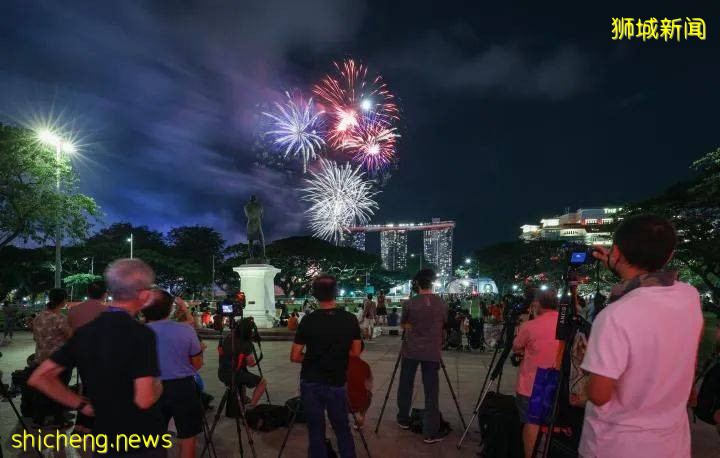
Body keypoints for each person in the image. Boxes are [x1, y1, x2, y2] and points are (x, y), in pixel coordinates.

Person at [579, 214, 703, 458]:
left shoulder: (615, 316)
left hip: (617, 445)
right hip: (671, 444)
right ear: (668, 256)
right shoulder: (689, 297)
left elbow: (599, 395)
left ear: (616, 252)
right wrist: (619, 265)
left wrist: (590, 366)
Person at [29, 258, 165, 457]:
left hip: (104, 433)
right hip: (141, 437)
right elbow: (144, 400)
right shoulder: (141, 334)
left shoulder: (85, 332)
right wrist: (159, 386)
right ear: (143, 295)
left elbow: (39, 377)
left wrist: (82, 405)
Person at [291, 274, 362, 458]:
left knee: (315, 429)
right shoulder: (349, 319)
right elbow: (355, 352)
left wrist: (314, 358)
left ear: (315, 294)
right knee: (341, 428)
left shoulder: (308, 320)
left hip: (311, 381)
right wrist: (335, 355)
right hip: (336, 382)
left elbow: (295, 355)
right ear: (336, 293)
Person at [145, 290, 204, 458]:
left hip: (150, 388)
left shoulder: (137, 332)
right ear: (170, 308)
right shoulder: (185, 330)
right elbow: (197, 364)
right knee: (187, 435)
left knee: (153, 436)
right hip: (182, 387)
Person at [396, 268, 449, 444]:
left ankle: (403, 418)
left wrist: (413, 327)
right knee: (431, 390)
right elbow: (444, 323)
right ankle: (430, 431)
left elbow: (404, 324)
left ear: (417, 284)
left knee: (406, 384)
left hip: (411, 350)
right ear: (432, 283)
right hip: (432, 351)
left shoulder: (410, 303)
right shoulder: (441, 303)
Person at [512, 289, 561, 458]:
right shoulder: (565, 324)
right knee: (553, 422)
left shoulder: (530, 326)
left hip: (532, 384)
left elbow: (517, 346)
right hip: (558, 382)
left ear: (537, 304)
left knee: (531, 423)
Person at [30, 288, 73, 427]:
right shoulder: (59, 318)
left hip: (41, 359)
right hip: (58, 361)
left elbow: (35, 338)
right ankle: (59, 420)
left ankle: (39, 420)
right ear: (63, 301)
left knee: (41, 391)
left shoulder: (38, 317)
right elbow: (71, 338)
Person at [218, 317, 267, 407]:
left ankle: (243, 398)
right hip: (234, 375)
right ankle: (252, 406)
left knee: (242, 370)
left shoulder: (228, 338)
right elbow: (251, 364)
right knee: (262, 382)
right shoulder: (246, 344)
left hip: (222, 373)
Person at [346, 341, 373, 428]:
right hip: (358, 403)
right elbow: (369, 386)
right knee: (369, 394)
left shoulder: (338, 363)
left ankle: (336, 418)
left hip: (340, 402)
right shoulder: (365, 366)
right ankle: (360, 417)